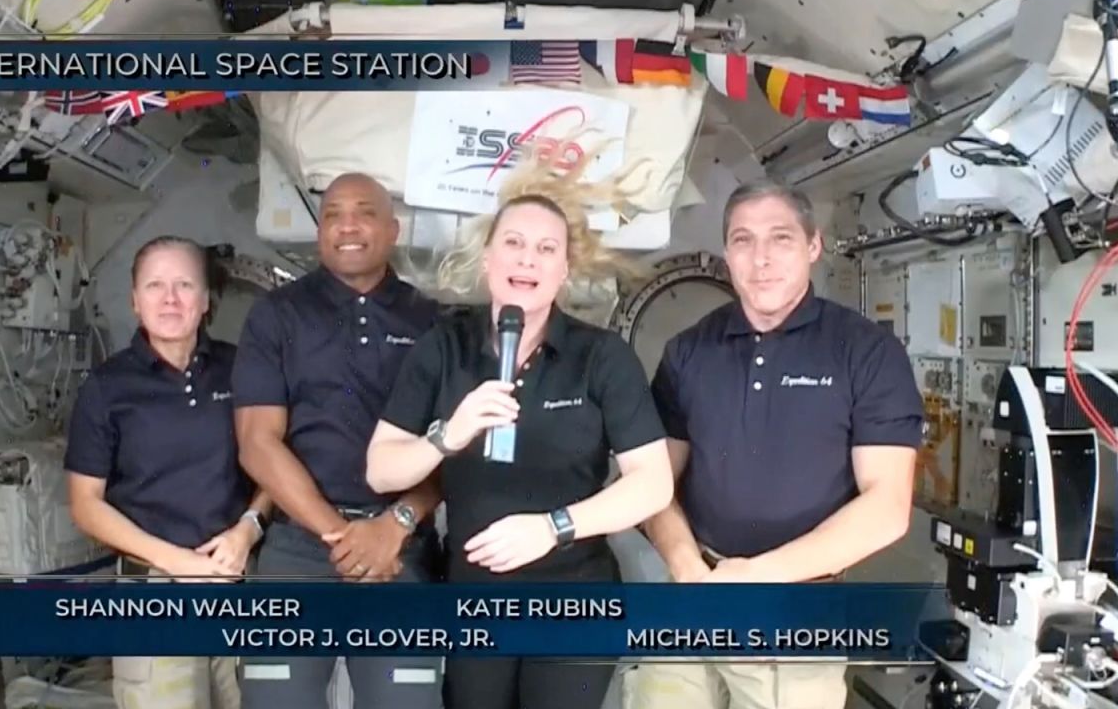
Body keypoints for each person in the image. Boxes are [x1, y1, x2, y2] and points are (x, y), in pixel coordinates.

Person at [365, 142, 674, 709]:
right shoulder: (443, 348)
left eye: (545, 249)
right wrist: (447, 435)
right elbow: (382, 469)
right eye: (513, 243)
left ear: (563, 270)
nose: (527, 260)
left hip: (575, 598)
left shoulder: (601, 357)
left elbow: (652, 483)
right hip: (474, 599)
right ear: (488, 258)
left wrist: (553, 526)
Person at [622, 178, 924, 709]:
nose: (760, 258)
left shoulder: (867, 353)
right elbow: (653, 484)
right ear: (726, 254)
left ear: (813, 246)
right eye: (743, 240)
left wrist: (756, 578)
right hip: (691, 595)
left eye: (780, 238)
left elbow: (888, 507)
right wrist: (692, 574)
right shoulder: (689, 351)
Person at [232, 172, 445, 709]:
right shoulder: (276, 315)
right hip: (298, 549)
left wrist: (393, 526)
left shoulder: (433, 322)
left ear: (394, 229)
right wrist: (341, 537)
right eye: (332, 214)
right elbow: (258, 442)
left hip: (401, 548)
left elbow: (448, 448)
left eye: (364, 212)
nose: (347, 225)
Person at [65, 235, 270, 709]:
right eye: (155, 286)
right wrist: (175, 563)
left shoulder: (240, 371)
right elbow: (85, 504)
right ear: (135, 301)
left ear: (205, 301)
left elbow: (272, 461)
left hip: (236, 578)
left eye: (184, 285)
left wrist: (249, 528)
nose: (170, 298)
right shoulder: (107, 388)